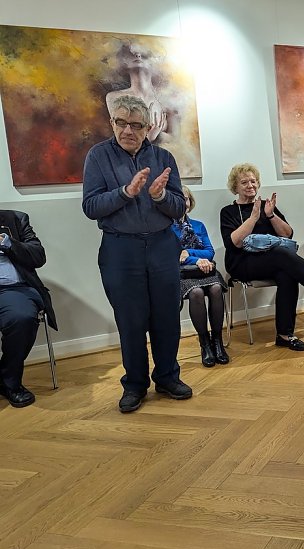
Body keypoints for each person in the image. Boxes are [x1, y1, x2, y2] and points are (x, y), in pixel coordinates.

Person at [82, 94, 192, 413]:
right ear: (112, 123)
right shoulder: (98, 156)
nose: (128, 130)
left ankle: (168, 377)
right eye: (121, 123)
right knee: (131, 320)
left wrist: (158, 196)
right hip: (120, 249)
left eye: (136, 125)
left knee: (167, 318)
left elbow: (178, 208)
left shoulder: (163, 157)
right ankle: (135, 385)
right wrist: (126, 193)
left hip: (161, 246)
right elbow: (90, 207)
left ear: (148, 128)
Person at [220, 163, 304, 351]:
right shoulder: (228, 212)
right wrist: (252, 218)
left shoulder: (267, 206)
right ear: (235, 187)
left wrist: (270, 216)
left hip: (271, 260)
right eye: (244, 182)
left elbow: (287, 235)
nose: (250, 185)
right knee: (282, 255)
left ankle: (285, 335)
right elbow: (234, 243)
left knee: (288, 273)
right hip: (241, 263)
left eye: (253, 181)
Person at [0, 210, 56, 408]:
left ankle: (9, 381)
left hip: (13, 290)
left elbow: (38, 256)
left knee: (21, 318)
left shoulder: (15, 219)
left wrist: (7, 242)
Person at [172, 186, 229, 368]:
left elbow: (210, 252)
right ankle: (205, 344)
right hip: (182, 274)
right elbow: (173, 256)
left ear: (190, 202)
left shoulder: (198, 225)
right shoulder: (166, 227)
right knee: (196, 293)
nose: (184, 203)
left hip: (205, 270)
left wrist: (188, 252)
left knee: (216, 288)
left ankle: (217, 342)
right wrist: (198, 259)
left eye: (186, 199)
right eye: (179, 199)